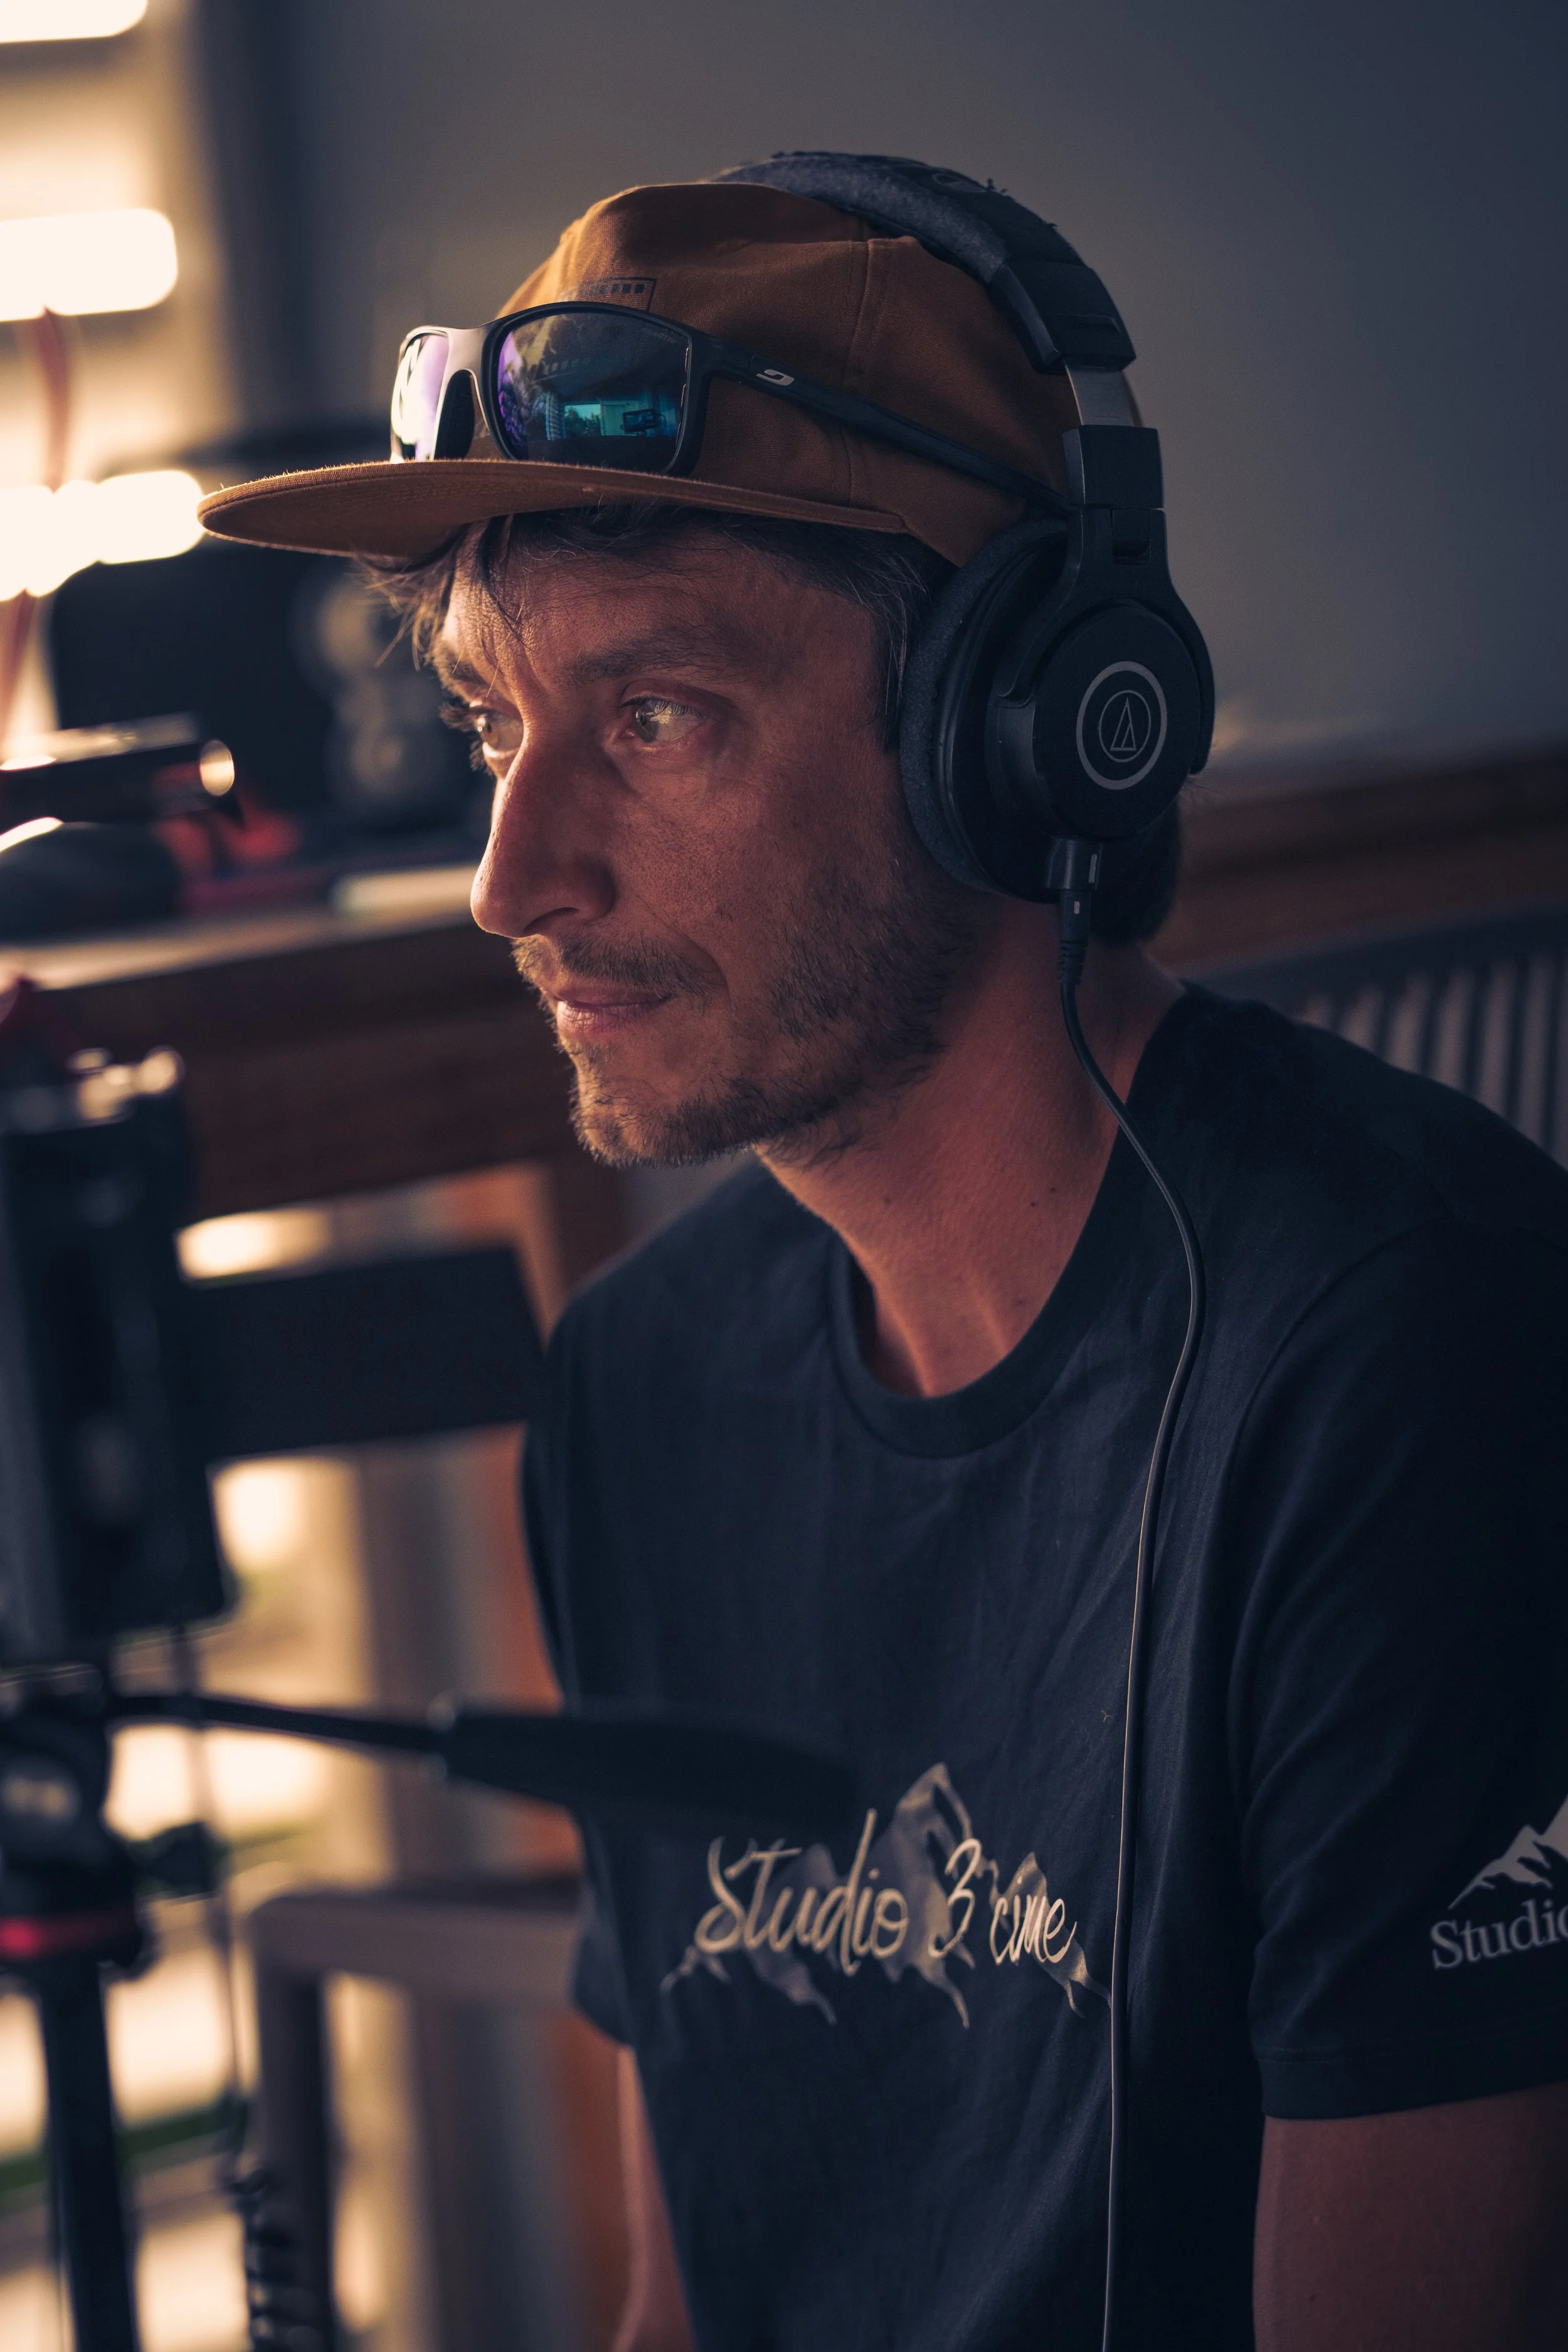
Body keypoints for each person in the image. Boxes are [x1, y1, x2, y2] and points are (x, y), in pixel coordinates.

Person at [201, 161, 1568, 2352]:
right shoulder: (639, 1383)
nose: (509, 877)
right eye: (491, 724)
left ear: (1017, 732)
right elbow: (696, 2285)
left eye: (653, 718)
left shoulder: (1405, 1366)